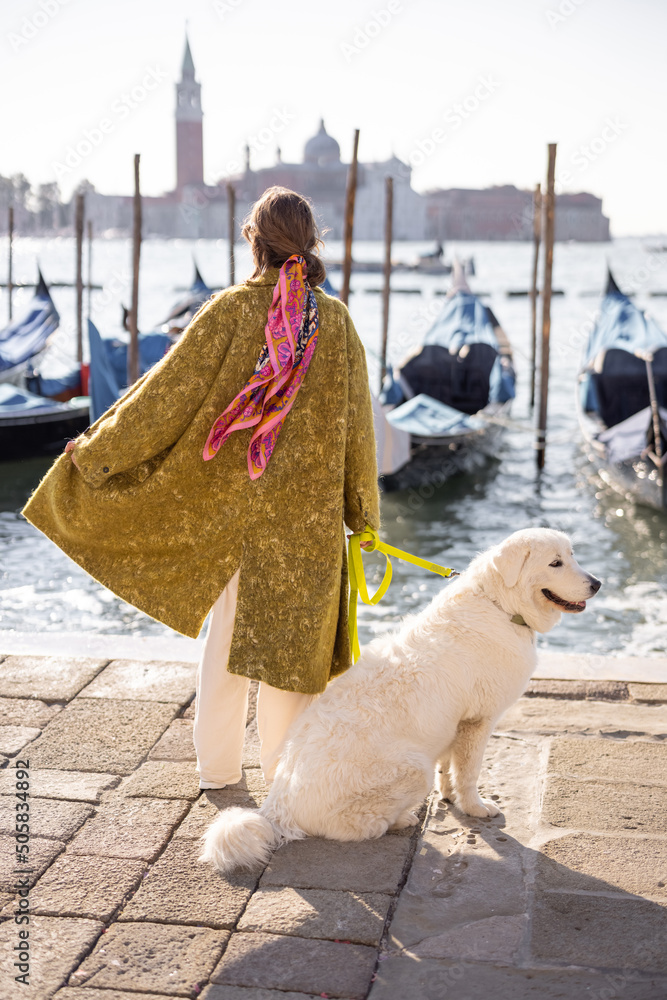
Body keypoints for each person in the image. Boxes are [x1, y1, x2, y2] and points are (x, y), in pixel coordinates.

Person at [23, 185, 380, 790]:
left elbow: (162, 399)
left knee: (227, 649)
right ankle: (282, 780)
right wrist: (363, 514)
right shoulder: (337, 323)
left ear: (254, 241)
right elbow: (359, 432)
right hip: (308, 524)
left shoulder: (227, 312)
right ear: (311, 243)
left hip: (231, 520)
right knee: (292, 660)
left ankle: (218, 775)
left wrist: (98, 452)